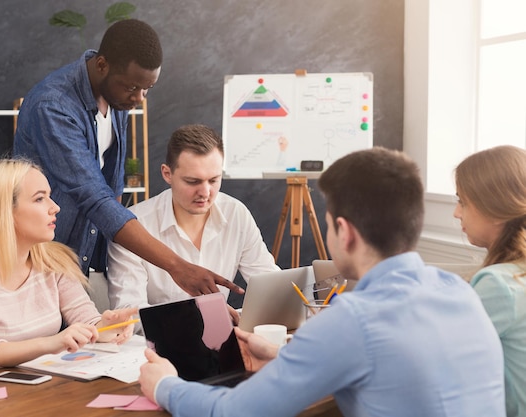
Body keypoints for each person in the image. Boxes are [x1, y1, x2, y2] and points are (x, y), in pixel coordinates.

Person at [139, 147, 506, 417]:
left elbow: (235, 412)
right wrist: (284, 357)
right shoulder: (460, 291)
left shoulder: (352, 320)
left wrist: (164, 385)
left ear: (343, 232)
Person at [13, 19, 240, 298]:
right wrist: (176, 266)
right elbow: (94, 195)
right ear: (102, 66)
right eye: (133, 88)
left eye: (147, 89)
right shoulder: (53, 107)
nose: (139, 98)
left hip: (74, 259)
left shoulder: (117, 96)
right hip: (40, 255)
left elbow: (113, 180)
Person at [0, 159, 138, 374]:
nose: (55, 207)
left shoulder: (54, 262)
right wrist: (50, 343)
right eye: (40, 198)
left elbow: (87, 321)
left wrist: (105, 328)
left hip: (32, 391)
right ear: (4, 211)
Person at [106, 124, 278, 313]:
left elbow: (271, 285)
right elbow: (128, 312)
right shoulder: (132, 227)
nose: (205, 192)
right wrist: (203, 315)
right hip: (158, 341)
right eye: (193, 181)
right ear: (167, 174)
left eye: (213, 180)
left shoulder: (236, 214)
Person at [454, 145, 526, 417]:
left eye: (463, 202)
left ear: (496, 210)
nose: (456, 213)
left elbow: (444, 355)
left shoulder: (498, 284)